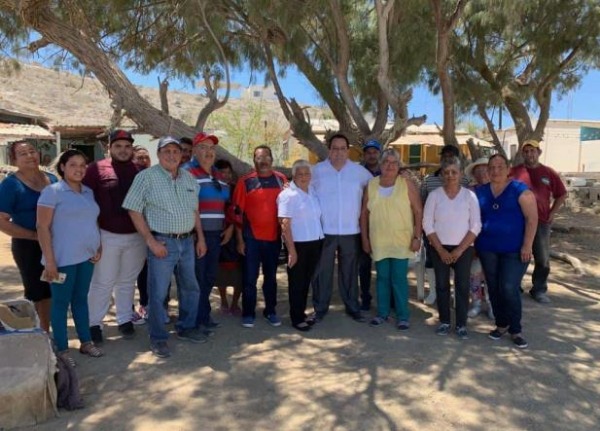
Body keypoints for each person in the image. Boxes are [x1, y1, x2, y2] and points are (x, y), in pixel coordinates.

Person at [123, 136, 208, 358]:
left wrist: (200, 238)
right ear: (159, 154)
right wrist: (150, 241)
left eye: (175, 151)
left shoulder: (189, 178)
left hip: (187, 242)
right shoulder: (146, 177)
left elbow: (194, 211)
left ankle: (186, 327)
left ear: (181, 154)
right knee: (158, 292)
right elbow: (133, 209)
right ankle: (158, 337)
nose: (171, 155)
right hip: (162, 242)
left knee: (190, 287)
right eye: (166, 151)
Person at [37, 149, 103, 365]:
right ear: (63, 167)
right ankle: (63, 350)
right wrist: (50, 261)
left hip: (86, 258)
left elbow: (93, 222)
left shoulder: (88, 192)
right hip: (61, 260)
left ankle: (86, 342)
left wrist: (98, 246)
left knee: (81, 300)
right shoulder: (52, 192)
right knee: (60, 304)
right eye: (73, 164)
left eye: (83, 165)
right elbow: (42, 227)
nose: (79, 169)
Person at [83, 130, 146, 344]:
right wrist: (92, 235)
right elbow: (85, 201)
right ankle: (94, 324)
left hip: (136, 236)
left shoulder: (140, 171)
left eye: (127, 146)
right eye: (118, 146)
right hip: (106, 234)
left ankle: (124, 319)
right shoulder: (95, 169)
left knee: (127, 280)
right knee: (103, 281)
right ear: (109, 148)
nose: (123, 150)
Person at [476, 154, 538, 349]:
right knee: (493, 287)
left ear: (508, 168)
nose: (495, 171)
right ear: (487, 170)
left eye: (500, 166)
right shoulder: (480, 191)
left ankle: (516, 329)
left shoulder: (520, 190)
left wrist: (527, 245)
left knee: (509, 287)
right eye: (492, 167)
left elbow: (532, 219)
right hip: (487, 248)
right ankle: (501, 324)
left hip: (515, 250)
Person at [310, 133, 372, 323]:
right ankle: (320, 308)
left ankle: (353, 307)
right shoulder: (316, 171)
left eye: (342, 149)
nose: (339, 152)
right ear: (329, 150)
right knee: (322, 271)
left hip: (351, 231)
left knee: (350, 272)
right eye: (335, 149)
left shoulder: (360, 172)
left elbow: (376, 190)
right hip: (324, 231)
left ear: (348, 150)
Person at [360, 149, 422, 330]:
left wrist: (417, 236)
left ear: (399, 165)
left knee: (399, 278)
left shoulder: (406, 184)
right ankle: (382, 313)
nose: (390, 166)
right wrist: (365, 239)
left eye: (394, 162)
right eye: (386, 162)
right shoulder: (371, 185)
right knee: (382, 278)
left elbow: (418, 211)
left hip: (402, 240)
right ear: (380, 164)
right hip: (379, 240)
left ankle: (403, 316)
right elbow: (364, 214)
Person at [0, 141, 57, 332]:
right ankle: (41, 334)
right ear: (14, 160)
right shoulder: (10, 185)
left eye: (32, 151)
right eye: (23, 153)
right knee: (37, 291)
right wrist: (34, 236)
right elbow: (2, 222)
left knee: (54, 288)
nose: (30, 156)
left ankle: (51, 330)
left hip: (55, 244)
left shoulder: (52, 179)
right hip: (28, 247)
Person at [423, 156, 481, 339]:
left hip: (463, 248)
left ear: (461, 174)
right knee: (441, 285)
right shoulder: (434, 196)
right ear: (441, 174)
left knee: (462, 285)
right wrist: (440, 250)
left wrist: (459, 250)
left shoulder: (469, 196)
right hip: (438, 247)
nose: (450, 175)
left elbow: (476, 225)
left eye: (454, 172)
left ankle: (461, 324)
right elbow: (427, 224)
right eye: (446, 172)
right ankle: (445, 321)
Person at [232, 145, 287, 328]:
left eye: (266, 157)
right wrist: (240, 240)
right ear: (254, 161)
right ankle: (248, 313)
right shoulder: (245, 182)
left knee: (271, 278)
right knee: (249, 278)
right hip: (251, 239)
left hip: (273, 239)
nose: (263, 161)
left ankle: (270, 311)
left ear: (272, 158)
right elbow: (237, 214)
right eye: (258, 157)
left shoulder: (281, 180)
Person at [183, 132, 231, 334]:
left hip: (216, 234)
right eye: (203, 147)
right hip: (196, 235)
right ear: (194, 150)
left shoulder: (218, 175)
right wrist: (198, 236)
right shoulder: (186, 172)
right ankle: (193, 321)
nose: (208, 152)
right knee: (197, 279)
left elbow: (227, 205)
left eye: (212, 148)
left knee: (210, 277)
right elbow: (188, 206)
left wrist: (229, 227)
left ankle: (203, 315)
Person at [510, 139, 567, 304]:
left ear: (539, 152)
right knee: (517, 255)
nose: (529, 154)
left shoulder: (548, 172)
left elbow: (562, 194)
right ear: (523, 154)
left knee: (542, 258)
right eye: (526, 151)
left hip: (542, 222)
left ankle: (539, 289)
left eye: (532, 151)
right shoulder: (514, 172)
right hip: (518, 221)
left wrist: (552, 213)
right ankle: (515, 287)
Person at [420, 144, 470, 306]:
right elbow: (422, 203)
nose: (448, 158)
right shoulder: (429, 180)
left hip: (458, 232)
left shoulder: (465, 181)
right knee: (431, 261)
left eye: (451, 156)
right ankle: (434, 292)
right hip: (432, 232)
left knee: (457, 265)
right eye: (445, 156)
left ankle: (454, 294)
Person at [278, 159, 324, 332]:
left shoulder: (312, 191)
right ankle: (296, 318)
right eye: (300, 174)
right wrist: (291, 251)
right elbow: (284, 224)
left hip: (315, 241)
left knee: (305, 281)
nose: (304, 177)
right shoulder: (287, 195)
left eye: (307, 174)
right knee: (297, 282)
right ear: (294, 175)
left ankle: (301, 313)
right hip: (298, 244)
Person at [464, 157, 494, 320]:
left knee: (491, 274)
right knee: (474, 273)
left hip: (493, 239)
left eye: (485, 169)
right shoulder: (469, 191)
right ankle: (476, 303)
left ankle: (491, 305)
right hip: (474, 239)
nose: (482, 173)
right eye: (478, 170)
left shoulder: (497, 189)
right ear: (474, 174)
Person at [214, 159, 242, 316]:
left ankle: (235, 303)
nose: (225, 175)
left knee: (239, 272)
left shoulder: (236, 189)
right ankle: (224, 300)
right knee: (221, 271)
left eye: (228, 172)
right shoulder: (211, 189)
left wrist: (232, 226)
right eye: (222, 172)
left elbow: (240, 211)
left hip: (237, 234)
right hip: (217, 233)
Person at [358, 139, 382, 311]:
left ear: (379, 154)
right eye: (368, 152)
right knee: (364, 264)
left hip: (384, 223)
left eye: (374, 152)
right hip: (363, 222)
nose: (372, 155)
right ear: (364, 155)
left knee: (384, 263)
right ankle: (365, 296)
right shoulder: (358, 172)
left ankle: (388, 298)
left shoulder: (388, 171)